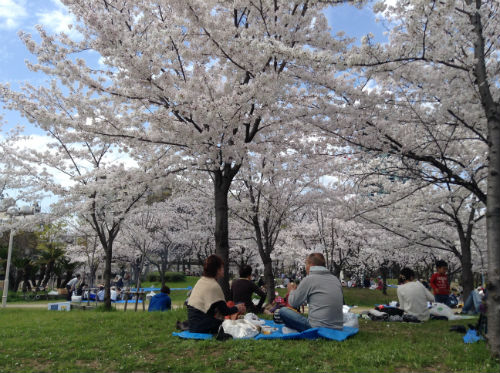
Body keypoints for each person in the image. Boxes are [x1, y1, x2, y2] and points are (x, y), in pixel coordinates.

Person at [279, 253, 343, 332]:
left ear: (311, 264)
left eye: (306, 264)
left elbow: (293, 303)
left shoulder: (309, 279)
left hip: (317, 327)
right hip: (338, 327)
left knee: (283, 311)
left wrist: (291, 291)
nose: (305, 267)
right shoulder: (335, 279)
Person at [187, 255, 246, 334]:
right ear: (217, 270)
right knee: (228, 325)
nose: (223, 270)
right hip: (200, 326)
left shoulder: (201, 280)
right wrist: (238, 308)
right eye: (222, 267)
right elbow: (225, 311)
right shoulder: (214, 285)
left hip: (192, 324)